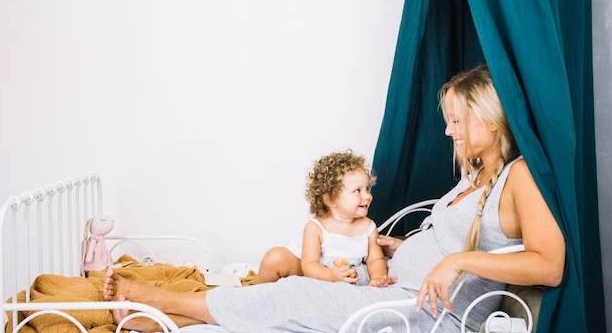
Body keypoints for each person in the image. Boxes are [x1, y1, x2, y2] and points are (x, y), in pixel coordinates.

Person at [103, 64, 565, 333]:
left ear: (487, 118)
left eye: (456, 121)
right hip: (386, 285)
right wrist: (402, 248)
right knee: (292, 294)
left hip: (417, 312)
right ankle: (169, 321)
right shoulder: (477, 173)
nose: (448, 131)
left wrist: (459, 263)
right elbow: (450, 241)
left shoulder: (519, 176)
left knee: (292, 294)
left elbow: (548, 264)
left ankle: (158, 300)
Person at [256, 150, 388, 286]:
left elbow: (375, 259)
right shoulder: (316, 228)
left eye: (367, 189)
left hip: (337, 277)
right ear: (331, 200)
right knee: (274, 258)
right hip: (307, 268)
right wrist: (330, 275)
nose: (367, 196)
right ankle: (254, 294)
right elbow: (309, 265)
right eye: (357, 191)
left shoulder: (368, 228)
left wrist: (377, 278)